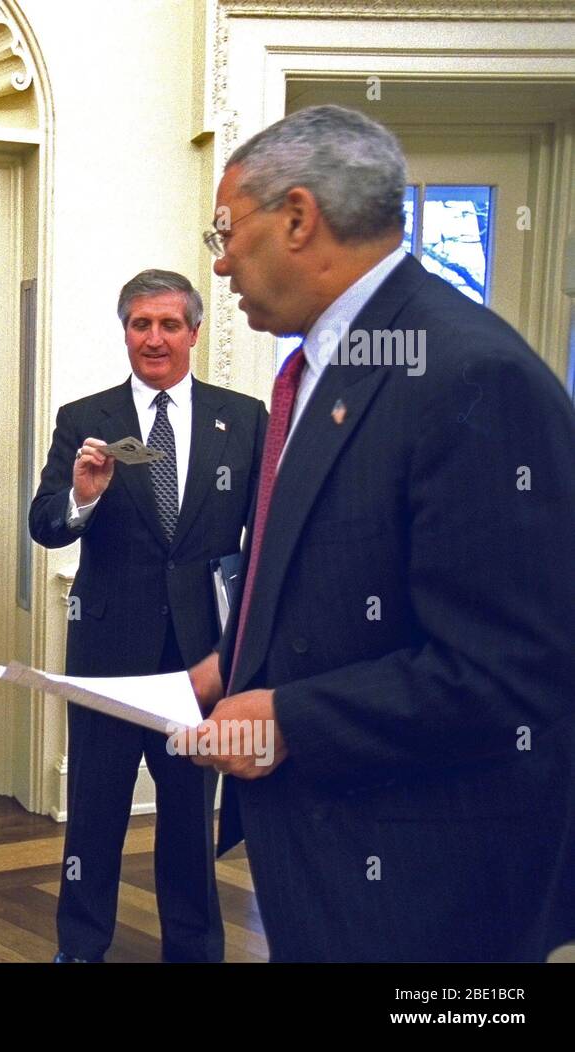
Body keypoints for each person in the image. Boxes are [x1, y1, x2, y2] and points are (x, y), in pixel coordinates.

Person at [185, 103, 575, 961]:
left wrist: (288, 716)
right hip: (331, 853)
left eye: (226, 229)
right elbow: (335, 566)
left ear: (297, 217)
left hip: (430, 882)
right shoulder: (336, 363)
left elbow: (509, 670)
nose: (219, 262)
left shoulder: (473, 373)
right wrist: (237, 660)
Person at [29, 270, 267, 962]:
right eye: (140, 324)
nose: (154, 338)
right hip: (108, 658)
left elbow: (263, 537)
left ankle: (194, 950)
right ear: (124, 331)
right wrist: (81, 496)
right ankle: (80, 947)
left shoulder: (244, 417)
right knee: (94, 818)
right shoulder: (84, 418)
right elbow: (47, 527)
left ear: (194, 332)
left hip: (201, 662)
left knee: (192, 819)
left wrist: (241, 646)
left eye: (168, 324)